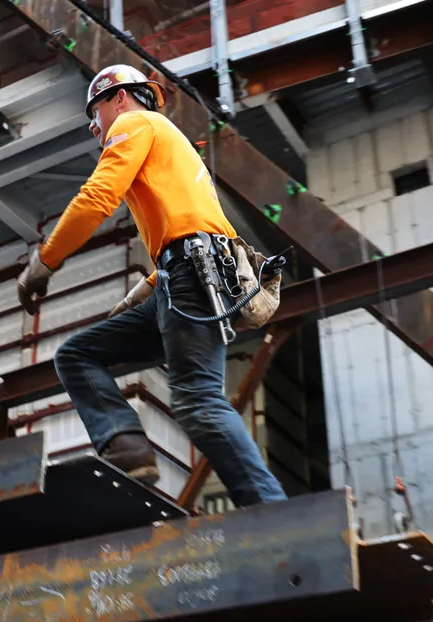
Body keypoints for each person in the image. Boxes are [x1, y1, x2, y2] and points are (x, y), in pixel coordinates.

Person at [15, 64, 287, 508]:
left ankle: (271, 509)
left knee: (198, 399)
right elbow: (193, 227)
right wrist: (145, 290)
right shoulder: (171, 145)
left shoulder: (135, 122)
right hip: (183, 277)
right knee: (78, 355)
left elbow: (96, 197)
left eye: (95, 110)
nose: (93, 124)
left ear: (119, 99)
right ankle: (126, 445)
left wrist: (43, 263)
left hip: (189, 277)